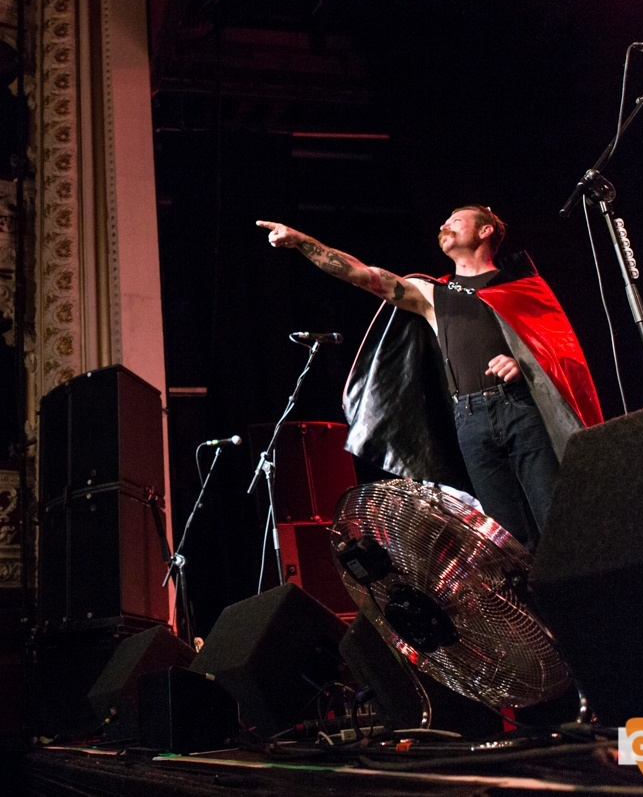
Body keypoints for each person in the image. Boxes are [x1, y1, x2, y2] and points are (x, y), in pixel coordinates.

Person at [258, 206, 601, 548]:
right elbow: (361, 274)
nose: (444, 224)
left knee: (557, 518)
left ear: (485, 231)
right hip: (471, 421)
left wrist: (522, 365)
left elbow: (555, 354)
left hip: (520, 411)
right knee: (509, 539)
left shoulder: (520, 289)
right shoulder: (432, 294)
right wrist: (302, 242)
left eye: (455, 220)